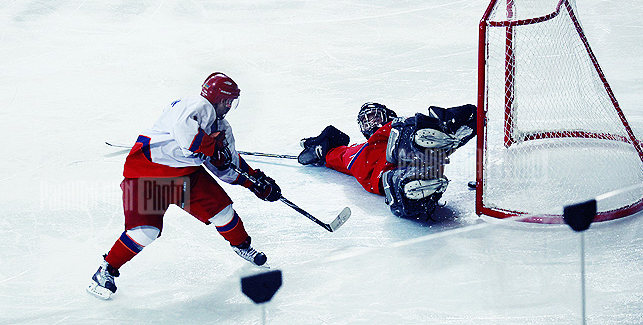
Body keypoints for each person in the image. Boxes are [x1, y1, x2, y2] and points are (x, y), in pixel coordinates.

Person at [87, 72, 281, 300]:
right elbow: (187, 137)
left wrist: (255, 182)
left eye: (232, 102)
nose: (229, 106)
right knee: (144, 233)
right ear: (216, 97)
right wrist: (211, 147)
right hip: (147, 175)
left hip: (187, 176)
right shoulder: (196, 105)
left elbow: (227, 168)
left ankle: (242, 246)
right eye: (226, 101)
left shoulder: (222, 127)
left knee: (223, 212)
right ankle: (105, 271)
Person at [297, 102, 477, 219]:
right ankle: (414, 186)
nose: (370, 123)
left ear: (387, 116)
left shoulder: (388, 131)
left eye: (374, 116)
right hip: (386, 176)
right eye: (365, 121)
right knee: (399, 181)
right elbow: (331, 153)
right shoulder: (354, 150)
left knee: (403, 130)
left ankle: (442, 130)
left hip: (403, 148)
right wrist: (318, 149)